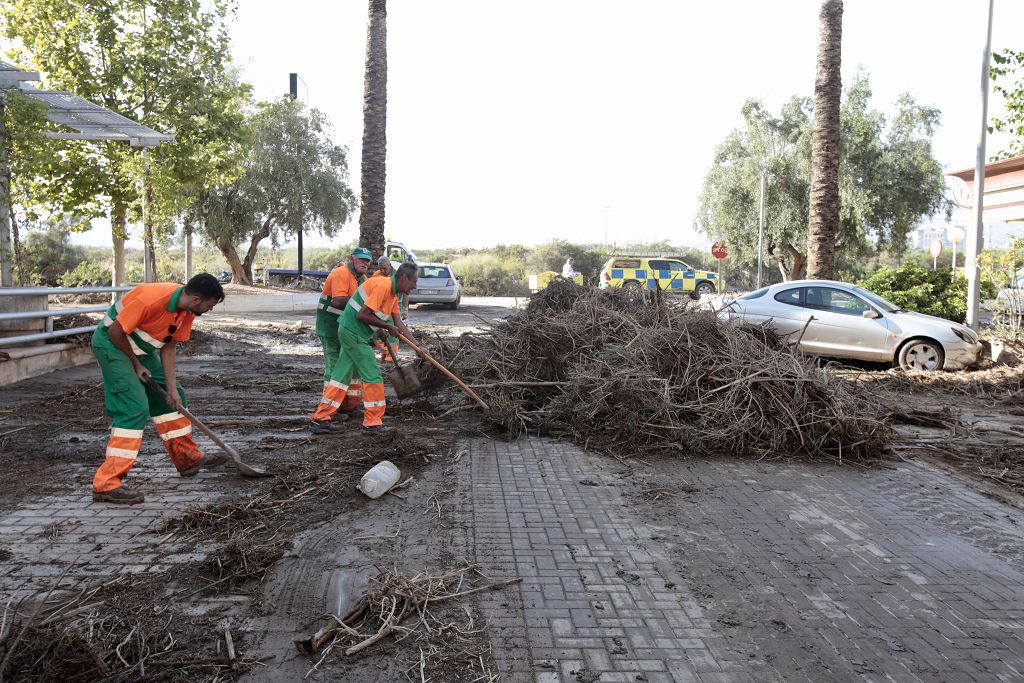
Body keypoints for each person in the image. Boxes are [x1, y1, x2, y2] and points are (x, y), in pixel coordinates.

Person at [90, 274, 226, 505]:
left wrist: (171, 389)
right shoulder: (151, 299)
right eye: (209, 305)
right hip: (112, 345)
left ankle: (187, 459)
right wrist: (136, 364)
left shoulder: (188, 311)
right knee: (134, 407)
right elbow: (115, 332)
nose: (210, 309)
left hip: (142, 350)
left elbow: (169, 346)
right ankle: (107, 483)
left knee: (174, 398)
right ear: (195, 299)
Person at [309, 262, 419, 434]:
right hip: (354, 333)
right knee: (373, 375)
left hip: (350, 331)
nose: (414, 286)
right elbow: (363, 315)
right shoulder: (383, 286)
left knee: (340, 376)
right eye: (414, 281)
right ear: (404, 278)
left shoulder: (393, 294)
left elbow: (399, 324)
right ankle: (372, 422)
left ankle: (320, 418)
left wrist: (419, 347)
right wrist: (385, 326)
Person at [316, 247, 373, 413]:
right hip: (330, 327)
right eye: (361, 259)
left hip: (348, 328)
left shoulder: (363, 280)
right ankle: (329, 408)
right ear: (351, 259)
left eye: (367, 260)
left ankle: (350, 405)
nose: (365, 263)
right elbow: (338, 301)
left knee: (352, 365)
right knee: (334, 367)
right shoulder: (341, 273)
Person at [371, 255, 400, 361]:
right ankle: (384, 352)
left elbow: (405, 294)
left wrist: (405, 308)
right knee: (377, 330)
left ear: (390, 265)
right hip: (379, 307)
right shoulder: (376, 275)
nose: (382, 271)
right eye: (380, 268)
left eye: (385, 268)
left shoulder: (397, 275)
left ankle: (392, 355)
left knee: (392, 329)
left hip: (394, 305)